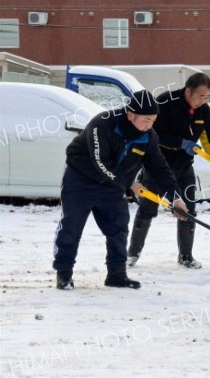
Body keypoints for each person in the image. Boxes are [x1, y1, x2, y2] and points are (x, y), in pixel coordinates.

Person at [53, 90, 188, 290]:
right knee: (72, 226)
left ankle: (116, 275)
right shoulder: (102, 124)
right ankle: (64, 274)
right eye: (146, 120)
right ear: (130, 114)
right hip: (81, 179)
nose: (149, 125)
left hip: (114, 185)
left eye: (153, 120)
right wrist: (130, 184)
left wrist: (176, 197)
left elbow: (160, 168)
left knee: (118, 227)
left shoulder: (148, 137)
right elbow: (101, 162)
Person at [127, 73, 210, 268]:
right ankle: (132, 254)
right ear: (188, 91)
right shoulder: (165, 102)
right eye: (200, 96)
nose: (203, 101)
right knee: (147, 209)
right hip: (157, 165)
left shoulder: (204, 111)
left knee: (188, 210)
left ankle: (186, 256)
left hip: (184, 166)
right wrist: (178, 143)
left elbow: (209, 140)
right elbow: (152, 133)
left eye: (207, 97)